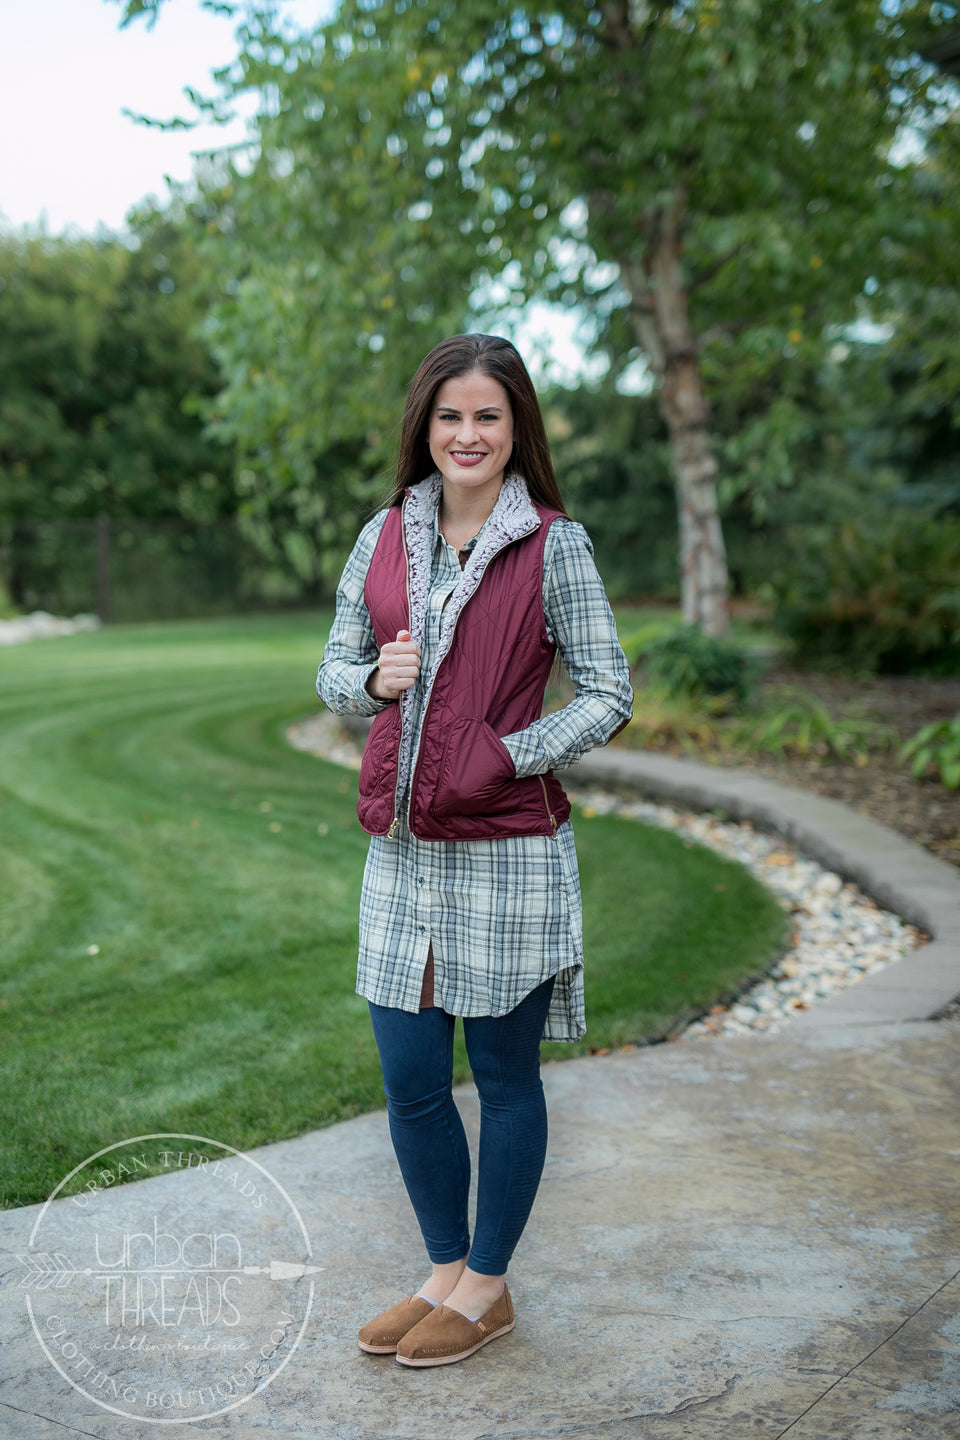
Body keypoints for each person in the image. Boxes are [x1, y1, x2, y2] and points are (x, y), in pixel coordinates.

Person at [317, 333, 632, 1368]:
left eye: (488, 416)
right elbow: (331, 668)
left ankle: (488, 1287)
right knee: (410, 1078)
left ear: (515, 430)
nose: (467, 434)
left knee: (502, 1080)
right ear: (426, 425)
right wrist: (372, 685)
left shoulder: (553, 544)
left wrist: (515, 751)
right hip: (402, 858)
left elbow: (608, 692)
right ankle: (442, 1269)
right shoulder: (381, 537)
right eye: (450, 415)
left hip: (506, 851)